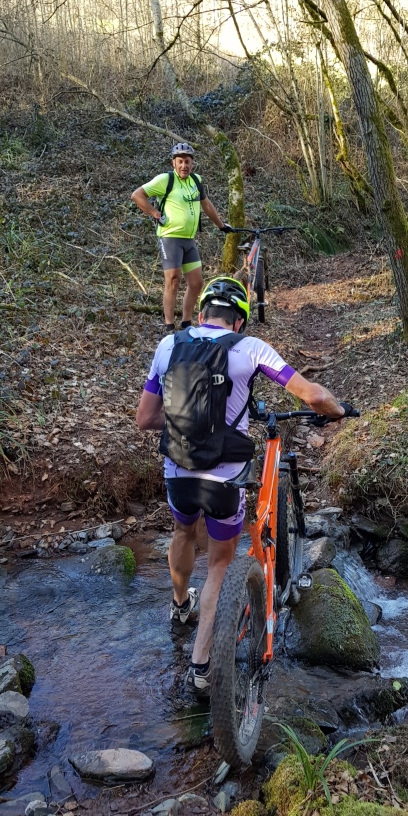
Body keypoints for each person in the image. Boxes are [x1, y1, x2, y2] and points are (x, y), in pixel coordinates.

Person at [136, 277, 348, 697]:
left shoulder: (168, 346)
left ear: (201, 315)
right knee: (219, 564)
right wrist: (337, 411)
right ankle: (201, 666)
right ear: (239, 322)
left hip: (177, 469)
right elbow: (311, 394)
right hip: (224, 477)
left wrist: (186, 425)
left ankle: (180, 607)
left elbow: (145, 418)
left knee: (181, 533)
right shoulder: (250, 349)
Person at [131, 142, 231, 333]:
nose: (184, 165)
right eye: (180, 162)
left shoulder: (196, 180)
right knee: (173, 279)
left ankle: (186, 323)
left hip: (188, 239)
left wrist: (221, 225)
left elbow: (207, 205)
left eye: (187, 162)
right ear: (173, 163)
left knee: (196, 282)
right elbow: (137, 195)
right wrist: (155, 214)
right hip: (170, 238)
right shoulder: (165, 180)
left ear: (192, 163)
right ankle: (169, 326)